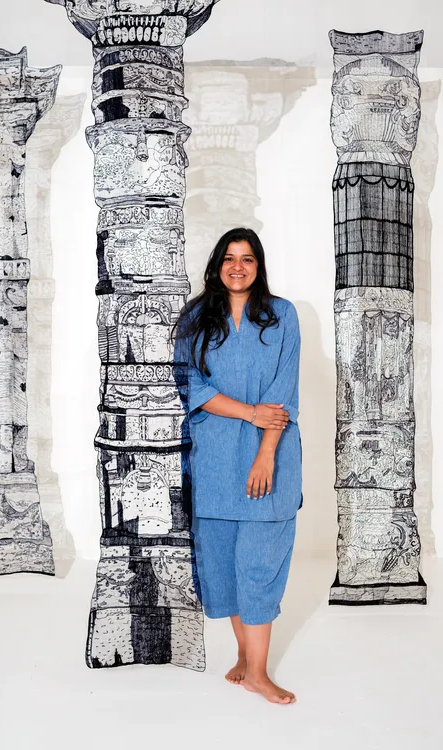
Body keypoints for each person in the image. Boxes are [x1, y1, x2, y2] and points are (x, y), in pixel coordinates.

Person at [174, 227, 302, 705]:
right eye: (229, 258)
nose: (237, 267)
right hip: (214, 459)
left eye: (247, 259)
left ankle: (259, 673)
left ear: (258, 266)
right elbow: (190, 386)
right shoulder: (195, 318)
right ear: (217, 265)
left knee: (259, 563)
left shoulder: (282, 316)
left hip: (271, 456)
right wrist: (249, 412)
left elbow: (282, 392)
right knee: (225, 564)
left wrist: (265, 453)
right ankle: (246, 657)